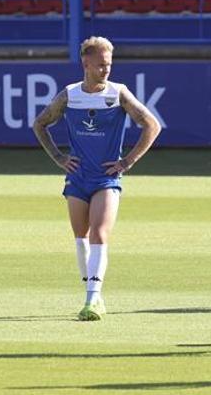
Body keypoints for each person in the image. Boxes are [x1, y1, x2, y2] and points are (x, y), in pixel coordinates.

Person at [32, 36, 161, 321]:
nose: (106, 70)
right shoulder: (69, 95)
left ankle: (92, 301)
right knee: (80, 237)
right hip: (77, 178)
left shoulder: (118, 93)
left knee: (99, 234)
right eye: (101, 65)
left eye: (109, 64)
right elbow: (40, 123)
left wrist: (127, 162)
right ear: (85, 63)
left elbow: (151, 125)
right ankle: (92, 293)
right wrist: (59, 157)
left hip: (106, 178)